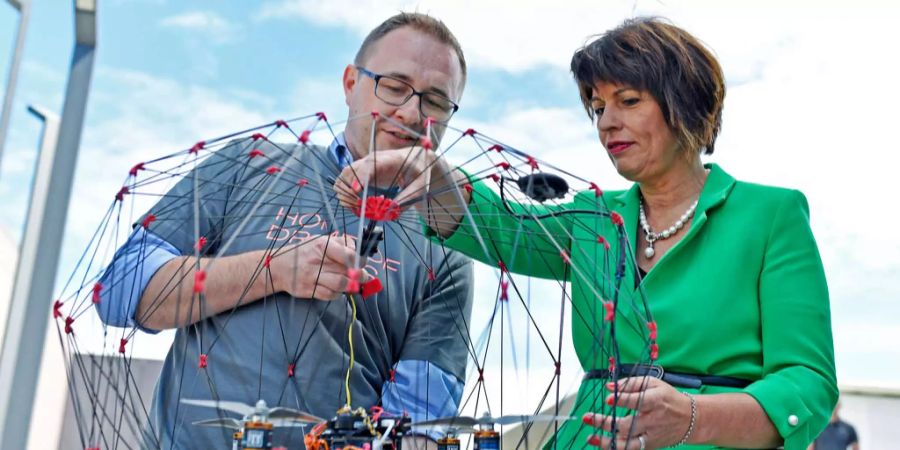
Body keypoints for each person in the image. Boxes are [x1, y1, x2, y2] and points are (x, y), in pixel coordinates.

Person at [334, 17, 837, 450]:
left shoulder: (772, 215)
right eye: (598, 107)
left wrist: (690, 418)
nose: (607, 123)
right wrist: (427, 171)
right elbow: (497, 226)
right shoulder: (593, 217)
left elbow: (808, 383)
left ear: (686, 103)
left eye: (629, 100)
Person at [96, 12, 473, 449]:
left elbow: (419, 425)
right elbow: (120, 292)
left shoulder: (449, 249)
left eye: (436, 101)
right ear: (351, 84)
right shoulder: (250, 164)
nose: (411, 111)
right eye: (394, 85)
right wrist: (274, 270)